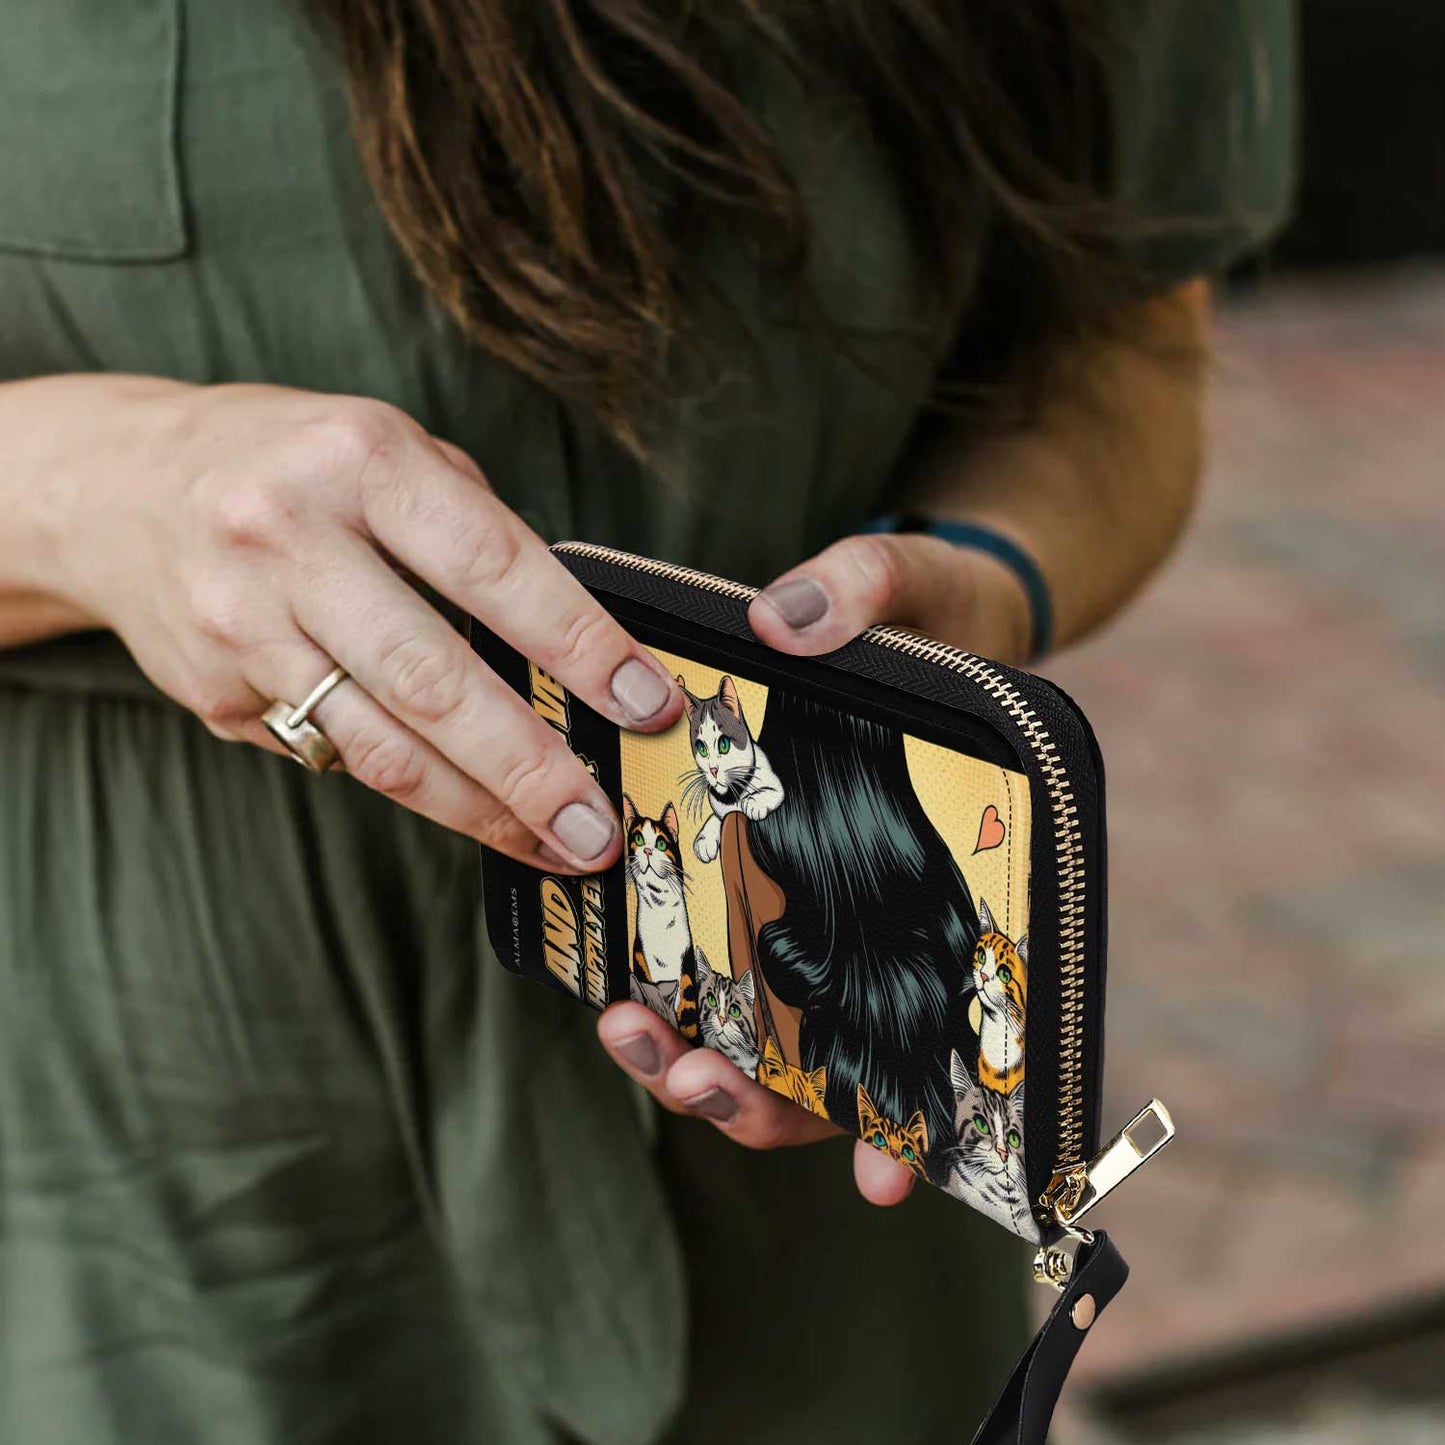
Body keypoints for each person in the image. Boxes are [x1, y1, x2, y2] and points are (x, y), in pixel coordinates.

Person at [0, 2, 1292, 1441]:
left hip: (800, 1044)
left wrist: (972, 589)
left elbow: (1123, 340)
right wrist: (102, 499)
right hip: (139, 1120)